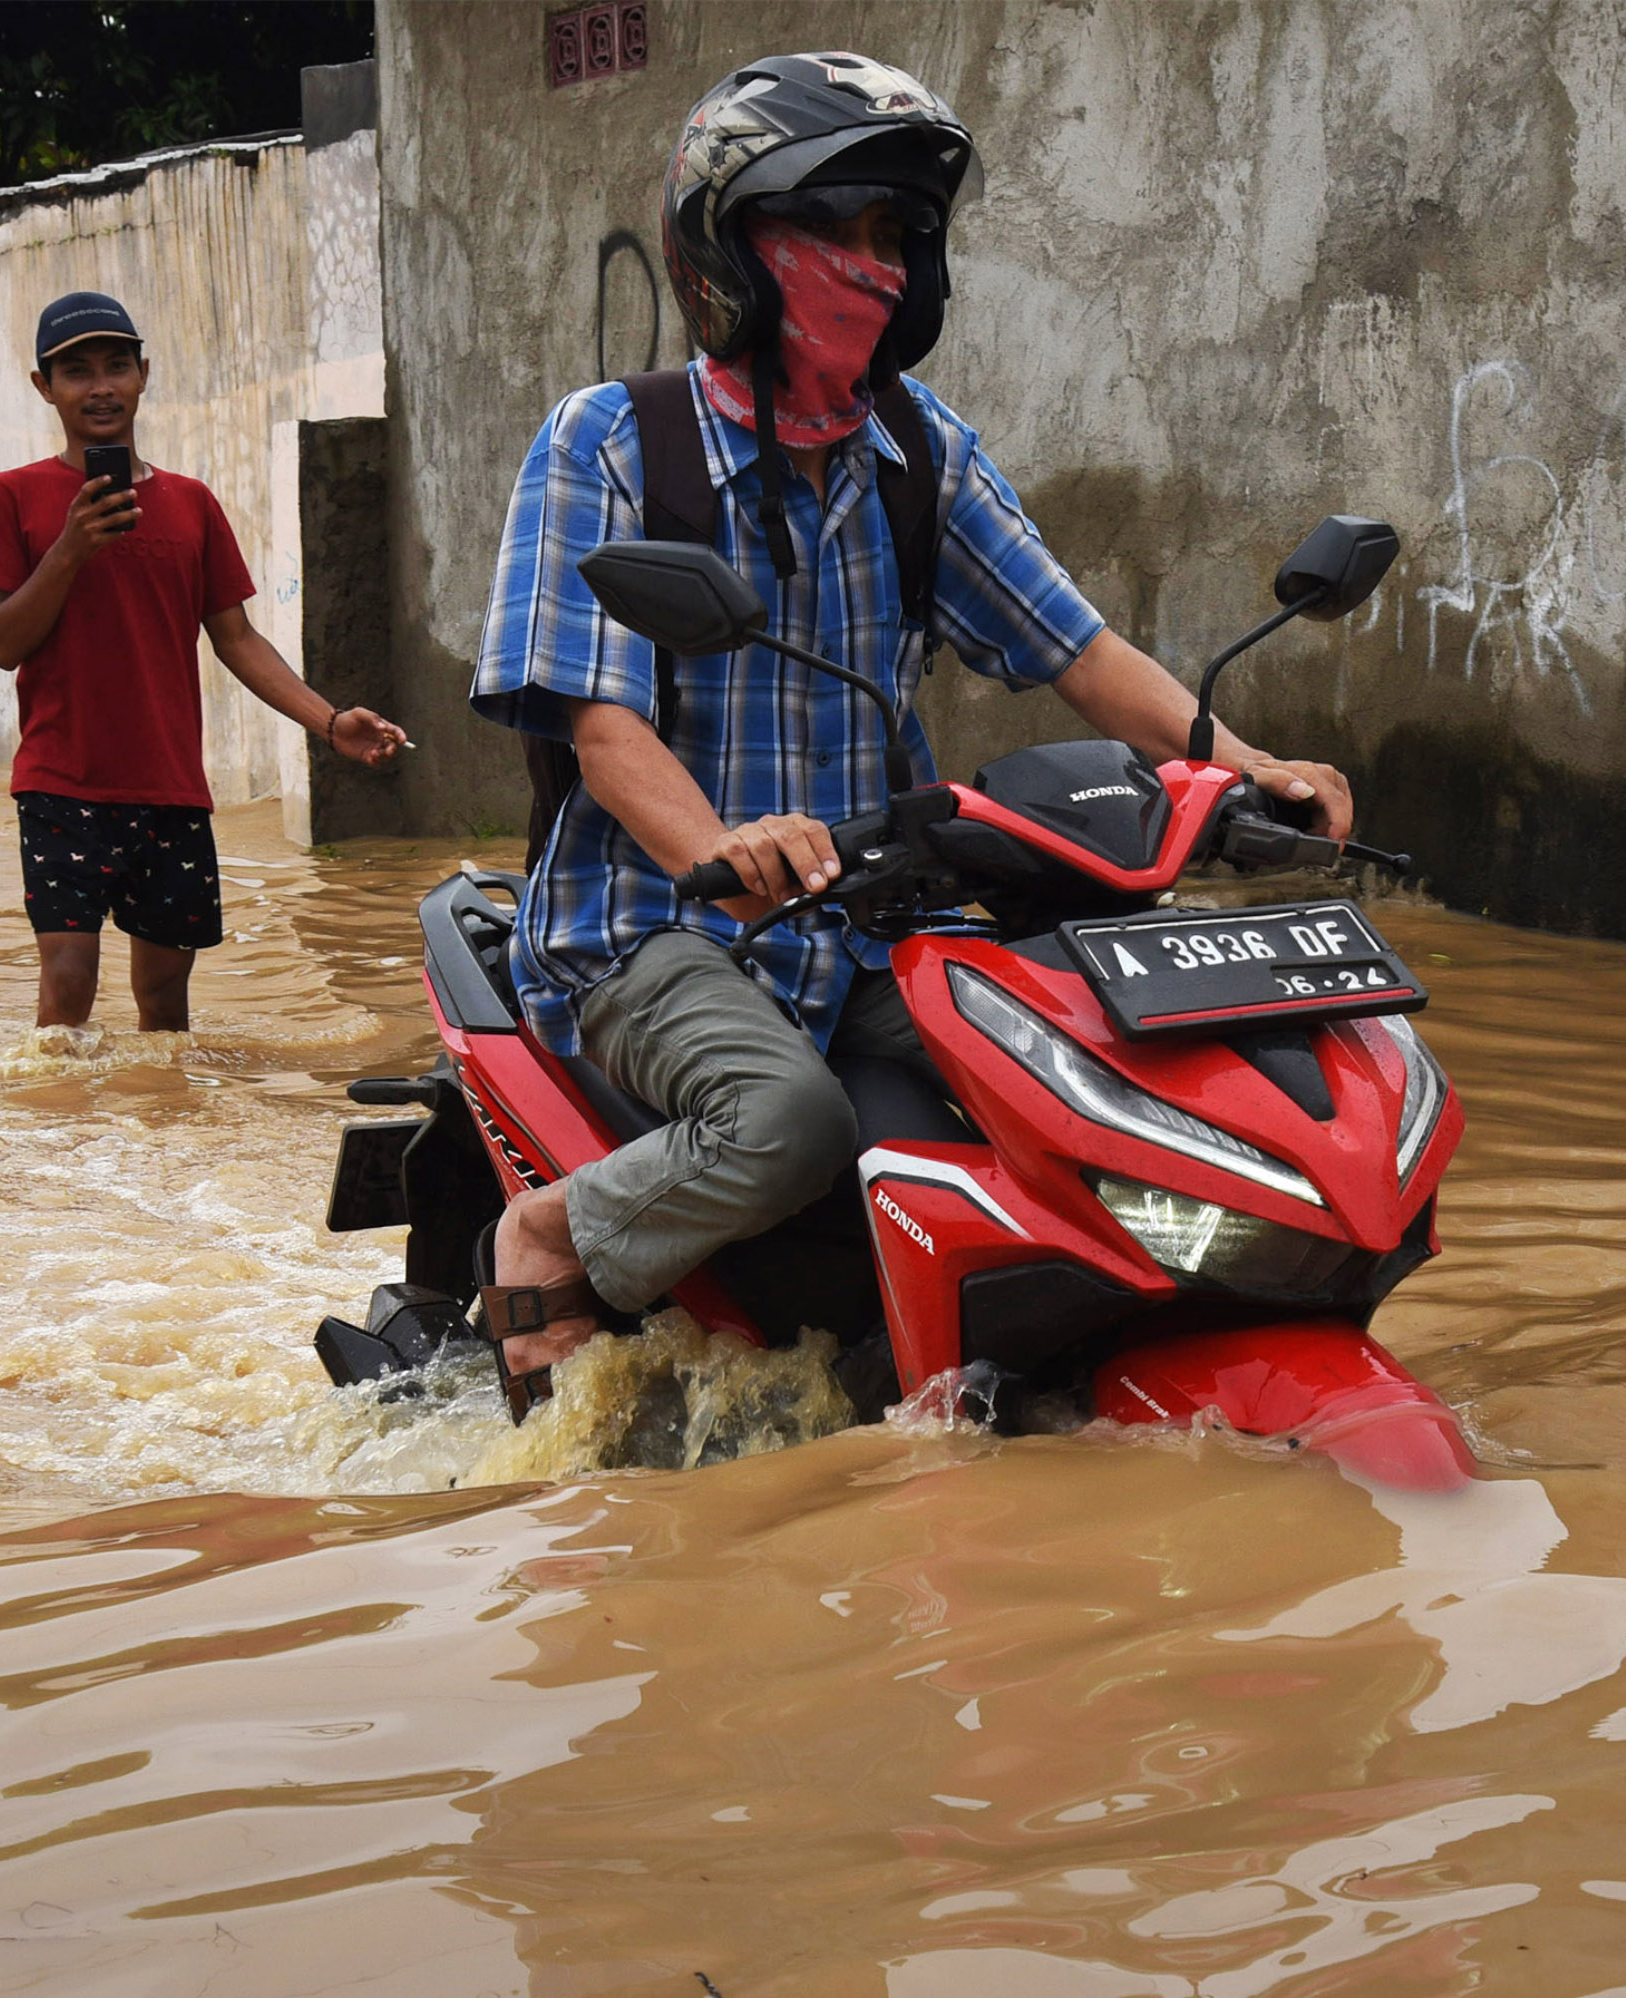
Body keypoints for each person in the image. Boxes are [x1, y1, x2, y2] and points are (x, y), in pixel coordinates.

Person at [469, 50, 1356, 1407]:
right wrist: (723, 842)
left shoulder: (922, 450)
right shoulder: (608, 445)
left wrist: (1246, 770)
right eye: (834, 229)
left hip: (871, 920)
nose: (873, 265)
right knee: (787, 1119)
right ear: (732, 246)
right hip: (651, 924)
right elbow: (603, 729)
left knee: (1087, 1055)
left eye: (896, 234)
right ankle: (554, 1232)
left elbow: (1081, 649)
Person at [0, 290, 405, 1034]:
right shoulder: (12, 498)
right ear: (45, 387)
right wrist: (70, 550)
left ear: (144, 375)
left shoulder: (192, 504)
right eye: (76, 371)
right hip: (59, 785)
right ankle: (60, 1137)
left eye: (116, 366)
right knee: (68, 982)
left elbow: (237, 639)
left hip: (171, 791)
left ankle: (164, 1135)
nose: (100, 386)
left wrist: (330, 723)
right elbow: (1, 643)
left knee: (165, 1000)